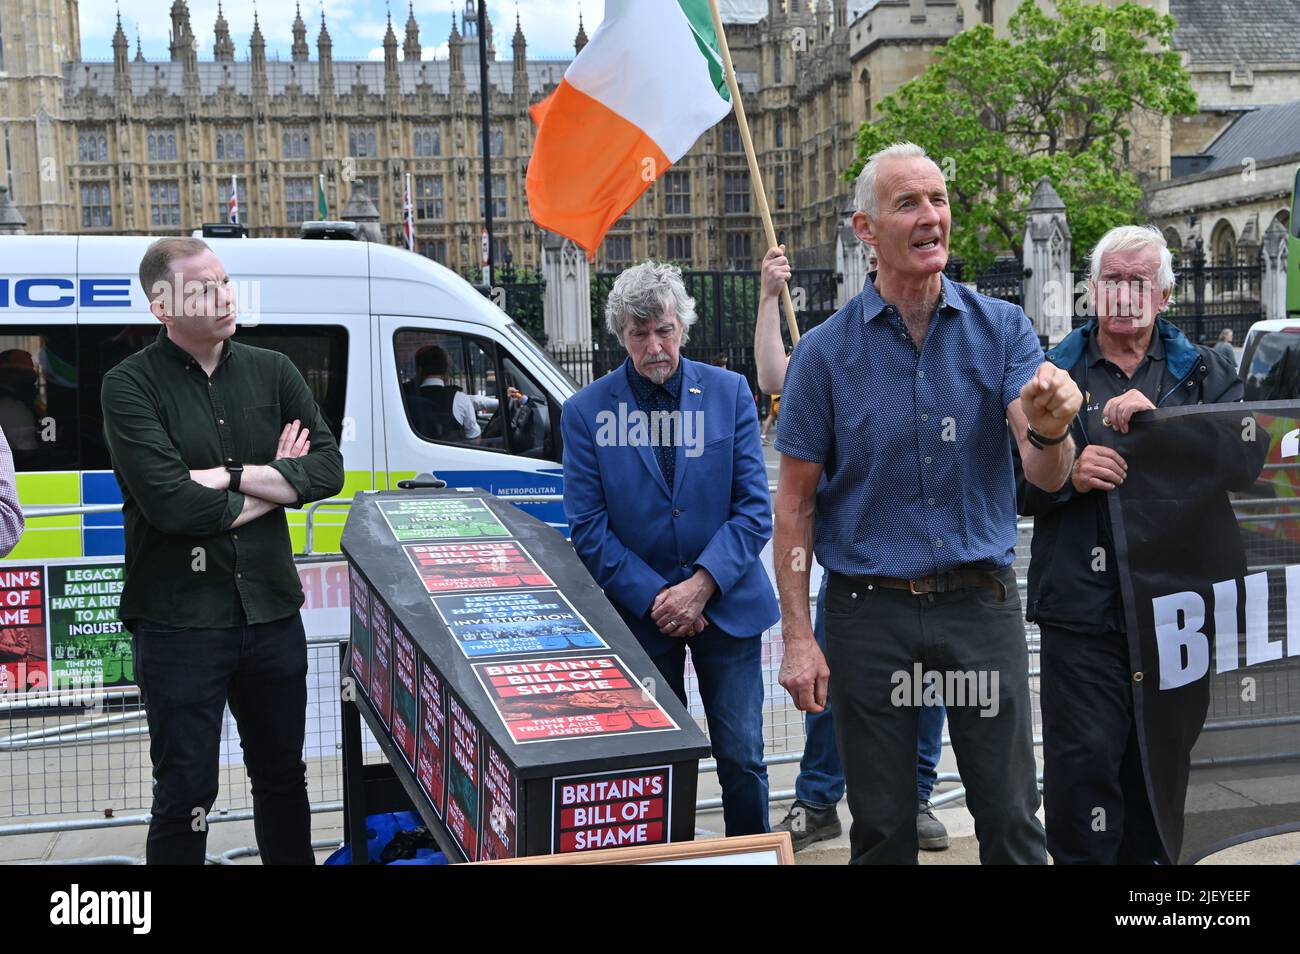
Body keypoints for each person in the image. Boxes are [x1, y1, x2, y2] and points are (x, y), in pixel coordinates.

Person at [774, 142, 1081, 864]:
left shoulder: (1001, 330)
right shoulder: (821, 354)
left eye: (938, 199)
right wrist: (796, 636)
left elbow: (1044, 472)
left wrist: (1052, 426)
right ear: (865, 229)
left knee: (1011, 819)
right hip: (867, 613)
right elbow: (794, 505)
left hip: (979, 607)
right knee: (881, 831)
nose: (930, 215)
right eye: (908, 202)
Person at [102, 237, 345, 864]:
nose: (224, 296)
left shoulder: (274, 370)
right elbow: (175, 507)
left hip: (269, 611)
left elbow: (326, 471)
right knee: (186, 791)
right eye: (203, 289)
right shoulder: (128, 386)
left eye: (225, 281)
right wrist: (277, 483)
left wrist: (232, 474)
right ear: (162, 307)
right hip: (180, 621)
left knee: (283, 780)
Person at [1016, 225, 1247, 864]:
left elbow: (1245, 459)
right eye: (1112, 281)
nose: (1124, 294)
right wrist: (1068, 472)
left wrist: (1167, 429)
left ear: (1164, 295)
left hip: (1177, 614)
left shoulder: (1204, 371)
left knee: (1161, 772)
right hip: (1083, 615)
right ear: (1092, 292)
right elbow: (1006, 485)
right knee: (1081, 774)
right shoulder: (1048, 372)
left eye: (1137, 282)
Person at [562, 261, 780, 836]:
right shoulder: (586, 412)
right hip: (641, 619)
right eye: (640, 334)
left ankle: (751, 852)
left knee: (743, 757)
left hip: (726, 609)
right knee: (653, 768)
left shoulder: (730, 393)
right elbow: (588, 528)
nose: (655, 345)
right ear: (621, 337)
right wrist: (662, 598)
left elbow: (755, 510)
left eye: (664, 329)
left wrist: (701, 585)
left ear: (682, 325)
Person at [754, 243, 949, 852]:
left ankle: (917, 795)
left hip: (934, 562)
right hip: (860, 568)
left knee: (930, 689)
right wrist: (767, 299)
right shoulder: (834, 348)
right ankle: (818, 799)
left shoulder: (947, 343)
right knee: (832, 689)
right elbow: (772, 378)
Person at [410, 345, 523, 444]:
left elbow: (475, 401)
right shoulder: (458, 398)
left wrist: (502, 401)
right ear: (446, 371)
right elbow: (475, 441)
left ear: (419, 370)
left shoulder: (404, 398)